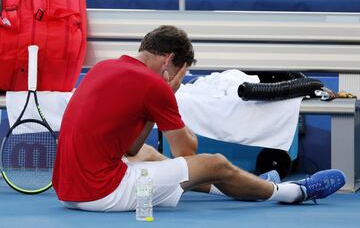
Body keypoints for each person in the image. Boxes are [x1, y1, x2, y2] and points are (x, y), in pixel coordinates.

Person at [52, 25, 345, 212]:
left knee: (149, 153)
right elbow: (187, 156)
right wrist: (171, 94)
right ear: (168, 61)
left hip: (67, 192)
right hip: (102, 193)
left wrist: (154, 113)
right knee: (213, 163)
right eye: (182, 71)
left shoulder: (104, 67)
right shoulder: (155, 85)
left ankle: (245, 184)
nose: (180, 77)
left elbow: (130, 149)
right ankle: (292, 192)